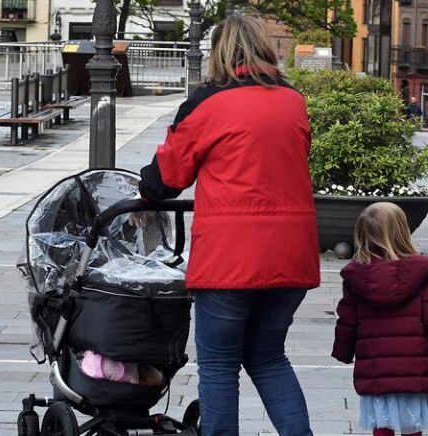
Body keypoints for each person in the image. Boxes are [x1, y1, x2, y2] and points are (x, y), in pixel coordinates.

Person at [138, 14, 320, 436]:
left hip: (230, 259)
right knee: (269, 357)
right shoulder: (293, 100)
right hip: (291, 255)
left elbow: (167, 178)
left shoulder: (208, 102)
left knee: (219, 365)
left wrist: (147, 186)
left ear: (218, 52)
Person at [332, 202, 428, 436]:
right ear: (403, 231)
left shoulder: (356, 275)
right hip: (413, 365)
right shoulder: (424, 270)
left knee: (382, 424)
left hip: (375, 366)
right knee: (412, 424)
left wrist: (343, 350)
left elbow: (347, 319)